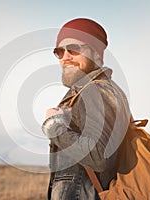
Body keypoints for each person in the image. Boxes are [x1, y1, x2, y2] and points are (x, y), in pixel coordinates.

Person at [42, 18, 131, 200]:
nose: (66, 57)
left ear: (96, 53)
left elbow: (100, 157)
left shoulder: (96, 91)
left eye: (73, 49)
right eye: (59, 51)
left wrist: (54, 128)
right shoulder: (88, 92)